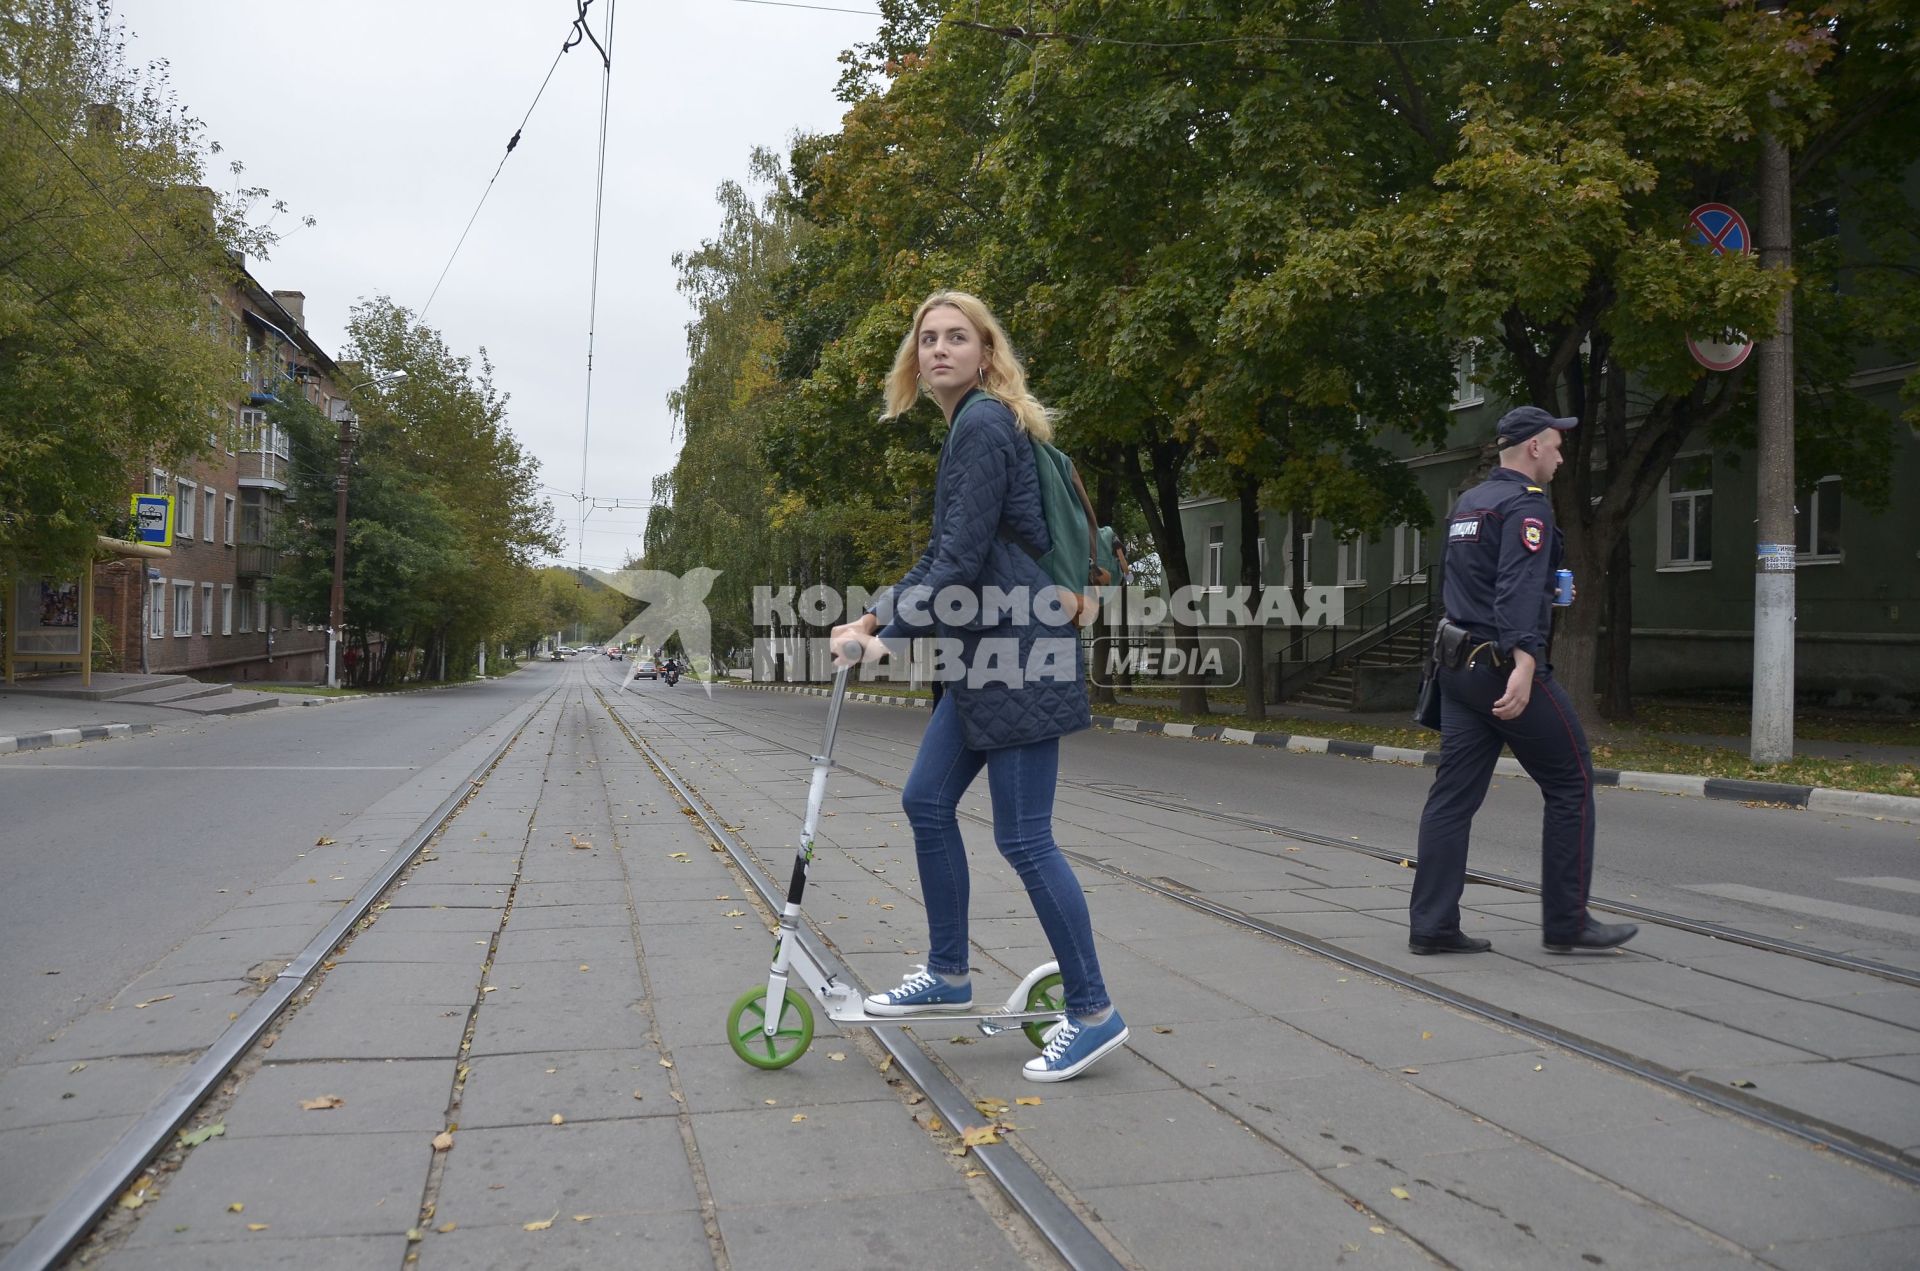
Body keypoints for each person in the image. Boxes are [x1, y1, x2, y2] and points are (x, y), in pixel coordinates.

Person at [830, 290, 1128, 1083]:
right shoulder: (970, 428)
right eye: (927, 338)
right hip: (984, 654)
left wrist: (885, 639)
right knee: (927, 800)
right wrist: (869, 616)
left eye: (956, 337)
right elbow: (943, 555)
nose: (937, 350)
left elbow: (959, 566)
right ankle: (949, 969)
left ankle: (1094, 1011)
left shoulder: (987, 424)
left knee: (1025, 837)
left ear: (986, 352)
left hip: (1019, 653)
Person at [1408, 405, 1639, 956]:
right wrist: (1526, 660)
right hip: (1499, 666)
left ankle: (1432, 925)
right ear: (1534, 446)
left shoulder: (1470, 502)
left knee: (1451, 800)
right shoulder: (1525, 504)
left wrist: (1545, 594)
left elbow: (1475, 581)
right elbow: (1512, 586)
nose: (1561, 456)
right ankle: (1567, 922)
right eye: (1556, 446)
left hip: (1457, 667)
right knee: (1571, 781)